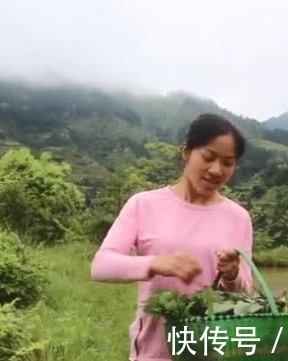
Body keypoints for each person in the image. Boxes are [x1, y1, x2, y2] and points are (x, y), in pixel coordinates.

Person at [90, 113, 255, 361]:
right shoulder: (144, 204)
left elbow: (246, 292)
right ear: (186, 152)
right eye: (208, 157)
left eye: (228, 163)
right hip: (152, 353)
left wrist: (232, 274)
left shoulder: (238, 218)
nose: (216, 170)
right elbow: (101, 266)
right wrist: (155, 263)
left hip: (212, 353)